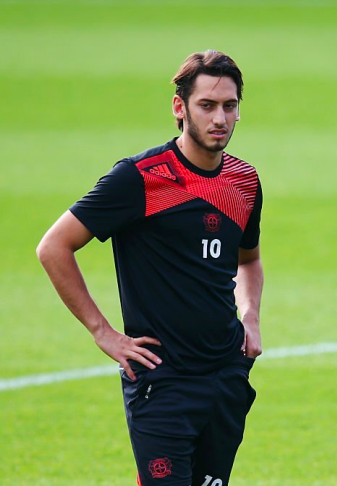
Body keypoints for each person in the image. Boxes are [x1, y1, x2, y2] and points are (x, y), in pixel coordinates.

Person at [37, 50, 263, 486]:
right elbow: (54, 247)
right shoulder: (139, 178)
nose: (220, 118)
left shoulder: (244, 181)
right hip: (163, 382)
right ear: (180, 108)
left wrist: (250, 314)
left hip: (226, 376)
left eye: (229, 106)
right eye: (207, 105)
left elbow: (249, 260)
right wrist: (103, 332)